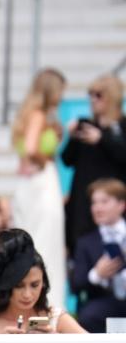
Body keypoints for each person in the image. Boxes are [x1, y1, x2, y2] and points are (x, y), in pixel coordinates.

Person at [12, 68, 68, 312]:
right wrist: (45, 161)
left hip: (29, 183)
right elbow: (32, 148)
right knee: (46, 242)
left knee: (35, 240)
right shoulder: (38, 115)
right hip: (41, 182)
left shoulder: (28, 115)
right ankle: (48, 304)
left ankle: (34, 302)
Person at [61, 73, 126, 255]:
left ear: (112, 97)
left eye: (98, 95)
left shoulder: (122, 126)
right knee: (82, 246)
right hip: (84, 199)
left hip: (113, 199)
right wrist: (71, 137)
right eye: (90, 94)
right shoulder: (85, 124)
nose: (93, 100)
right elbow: (67, 159)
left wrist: (102, 139)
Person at [69, 178, 126, 332]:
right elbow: (76, 284)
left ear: (121, 205)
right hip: (104, 301)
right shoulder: (86, 242)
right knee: (89, 315)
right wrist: (96, 274)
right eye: (94, 203)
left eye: (104, 202)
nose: (97, 208)